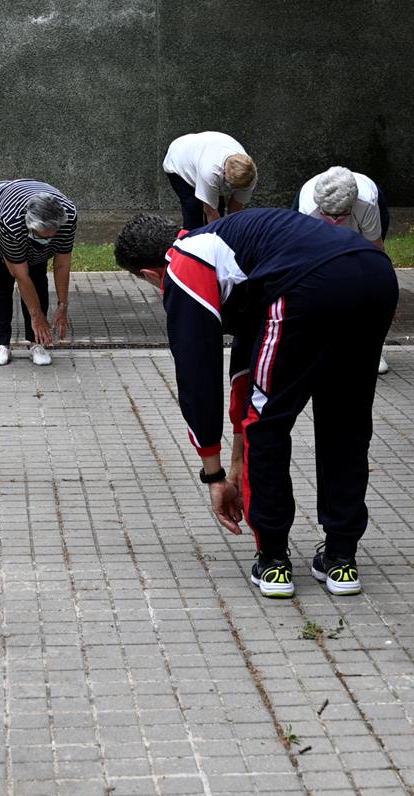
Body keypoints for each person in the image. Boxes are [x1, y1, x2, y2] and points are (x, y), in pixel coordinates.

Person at [116, 209, 397, 599]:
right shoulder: (235, 246)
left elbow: (198, 375)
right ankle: (341, 558)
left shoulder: (183, 261)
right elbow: (247, 362)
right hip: (375, 275)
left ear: (150, 274)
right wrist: (235, 458)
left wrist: (213, 475)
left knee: (268, 426)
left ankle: (274, 560)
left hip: (309, 285)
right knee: (345, 421)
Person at [0, 179, 74, 367]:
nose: (48, 240)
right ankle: (1, 343)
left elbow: (62, 265)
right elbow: (20, 275)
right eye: (43, 236)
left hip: (23, 208)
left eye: (52, 236)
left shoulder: (68, 217)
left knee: (38, 277)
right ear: (30, 225)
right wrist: (38, 316)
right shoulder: (10, 221)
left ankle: (36, 342)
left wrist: (63, 305)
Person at [299, 165, 394, 375]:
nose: (335, 222)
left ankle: (373, 348)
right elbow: (308, 258)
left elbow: (375, 253)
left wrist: (384, 293)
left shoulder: (367, 202)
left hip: (364, 221)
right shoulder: (308, 207)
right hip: (320, 228)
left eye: (340, 216)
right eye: (328, 215)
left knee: (364, 275)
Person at [162, 132, 257, 230]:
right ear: (224, 172)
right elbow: (211, 212)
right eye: (231, 185)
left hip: (204, 152)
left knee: (219, 206)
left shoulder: (249, 174)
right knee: (193, 206)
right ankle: (190, 240)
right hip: (179, 158)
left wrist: (233, 230)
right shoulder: (210, 171)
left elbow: (236, 207)